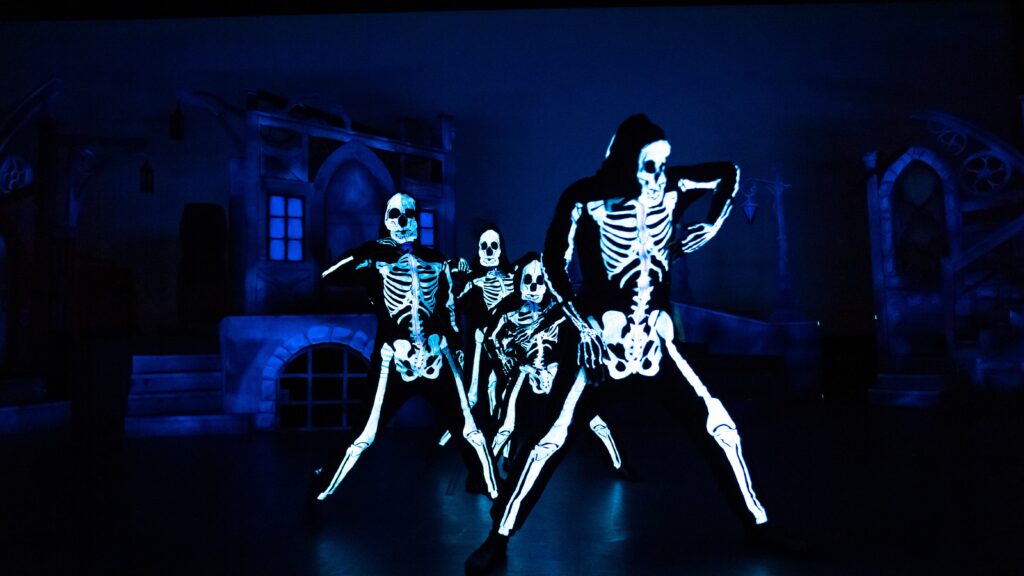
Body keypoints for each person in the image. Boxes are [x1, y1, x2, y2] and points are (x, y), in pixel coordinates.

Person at [466, 114, 799, 575]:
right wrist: (583, 326)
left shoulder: (671, 188)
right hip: (601, 346)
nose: (659, 176)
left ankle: (759, 525)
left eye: (663, 164)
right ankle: (498, 535)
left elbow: (730, 172)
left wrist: (713, 224)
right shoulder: (586, 198)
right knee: (549, 439)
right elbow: (553, 266)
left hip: (656, 345)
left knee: (719, 426)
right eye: (649, 166)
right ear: (626, 162)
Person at [310, 192, 499, 518]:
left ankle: (496, 491)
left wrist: (453, 346)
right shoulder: (377, 257)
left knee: (467, 427)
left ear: (417, 220)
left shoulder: (435, 260)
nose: (401, 222)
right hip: (393, 360)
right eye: (394, 215)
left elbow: (448, 309)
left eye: (408, 215)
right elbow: (330, 275)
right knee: (364, 435)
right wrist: (370, 253)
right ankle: (319, 492)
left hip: (436, 358)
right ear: (385, 221)